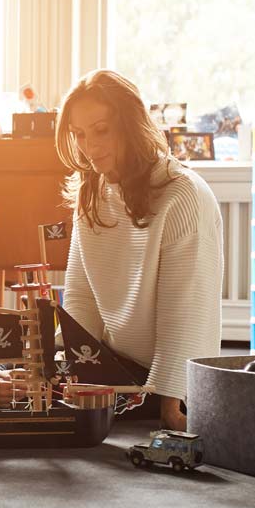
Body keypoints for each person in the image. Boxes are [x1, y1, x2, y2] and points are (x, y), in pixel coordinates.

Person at [54, 69, 222, 430]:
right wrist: (61, 363)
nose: (89, 147)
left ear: (130, 125)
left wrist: (169, 399)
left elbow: (185, 312)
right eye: (79, 134)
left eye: (101, 130)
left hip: (172, 377)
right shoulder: (92, 192)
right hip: (116, 365)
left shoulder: (182, 195)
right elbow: (81, 295)